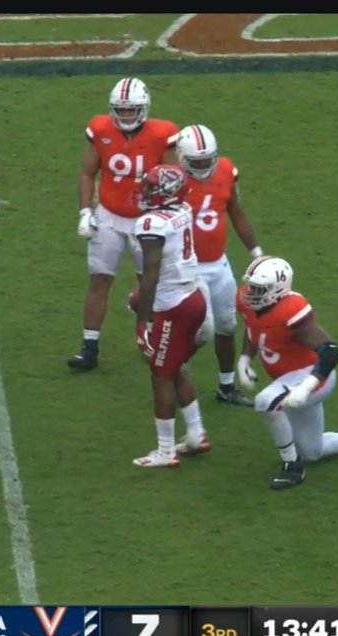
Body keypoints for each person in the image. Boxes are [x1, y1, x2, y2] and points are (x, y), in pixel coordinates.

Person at [235, 256, 338, 489]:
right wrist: (244, 359)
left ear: (278, 289)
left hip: (313, 376)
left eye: (259, 289)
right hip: (287, 380)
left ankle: (292, 467)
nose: (250, 292)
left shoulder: (290, 310)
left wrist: (306, 387)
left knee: (265, 402)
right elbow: (253, 329)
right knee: (313, 451)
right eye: (251, 286)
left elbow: (331, 352)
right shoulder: (250, 302)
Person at [68, 77, 180, 372]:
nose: (126, 115)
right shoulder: (101, 129)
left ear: (144, 109)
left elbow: (174, 179)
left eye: (132, 110)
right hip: (109, 215)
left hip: (147, 220)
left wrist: (167, 216)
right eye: (122, 110)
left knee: (149, 283)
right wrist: (84, 211)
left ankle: (147, 339)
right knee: (99, 280)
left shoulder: (163, 134)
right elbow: (86, 173)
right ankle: (89, 346)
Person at [126, 165, 213, 468]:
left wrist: (143, 321)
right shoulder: (183, 209)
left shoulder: (151, 224)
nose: (144, 191)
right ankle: (196, 433)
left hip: (173, 306)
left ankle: (165, 451)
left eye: (150, 187)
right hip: (193, 297)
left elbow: (150, 277)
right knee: (176, 366)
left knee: (160, 374)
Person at [174, 123, 265, 406]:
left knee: (227, 325)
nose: (202, 166)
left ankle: (226, 386)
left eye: (206, 160)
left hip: (219, 263)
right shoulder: (171, 180)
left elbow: (236, 213)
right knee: (206, 329)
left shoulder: (225, 170)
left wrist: (256, 252)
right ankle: (169, 368)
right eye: (196, 161)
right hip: (188, 266)